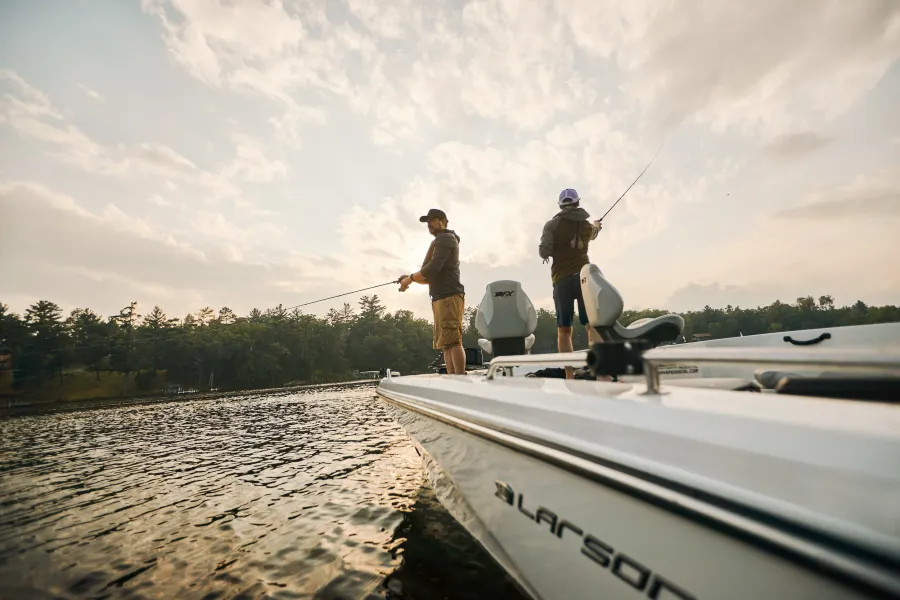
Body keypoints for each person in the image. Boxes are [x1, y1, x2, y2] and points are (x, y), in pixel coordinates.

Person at [538, 188, 604, 379]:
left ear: (560, 205)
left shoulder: (551, 225)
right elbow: (594, 232)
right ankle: (600, 371)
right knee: (592, 325)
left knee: (564, 329)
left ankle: (569, 375)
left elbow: (544, 252)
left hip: (562, 280)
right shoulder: (586, 226)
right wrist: (597, 225)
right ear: (577, 203)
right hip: (585, 278)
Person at [398, 208, 467, 375]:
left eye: (432, 220)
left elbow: (433, 268)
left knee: (454, 341)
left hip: (449, 296)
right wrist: (410, 278)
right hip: (440, 298)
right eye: (427, 222)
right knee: (446, 343)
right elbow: (429, 277)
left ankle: (460, 379)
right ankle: (453, 379)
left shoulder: (445, 238)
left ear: (443, 221)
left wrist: (409, 279)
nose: (429, 224)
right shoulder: (440, 240)